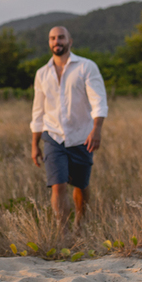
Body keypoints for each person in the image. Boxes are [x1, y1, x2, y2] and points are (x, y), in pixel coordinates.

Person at [30, 26, 107, 232]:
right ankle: (62, 234)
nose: (57, 42)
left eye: (61, 37)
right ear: (49, 42)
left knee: (81, 185)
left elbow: (99, 101)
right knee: (58, 184)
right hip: (53, 136)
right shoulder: (42, 74)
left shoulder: (86, 67)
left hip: (82, 136)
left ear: (69, 41)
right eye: (53, 38)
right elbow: (38, 111)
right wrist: (34, 144)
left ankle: (80, 225)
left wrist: (96, 129)